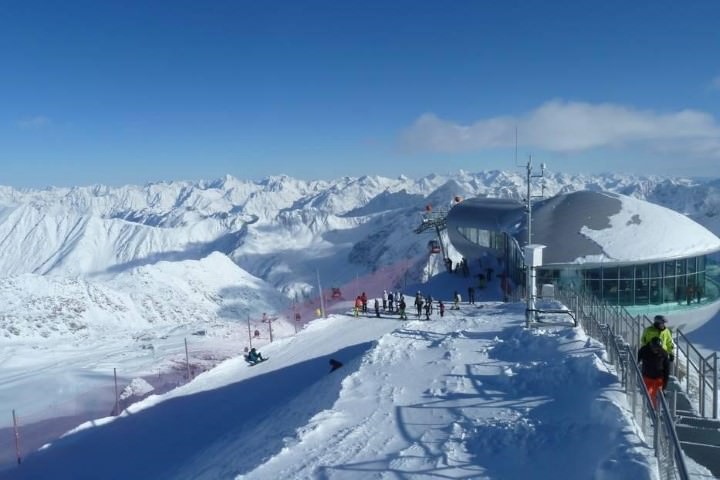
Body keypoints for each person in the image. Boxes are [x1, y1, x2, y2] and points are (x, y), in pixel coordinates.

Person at [638, 337, 670, 408]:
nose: (656, 350)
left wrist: (665, 384)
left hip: (659, 378)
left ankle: (656, 411)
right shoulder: (644, 350)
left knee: (658, 395)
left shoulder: (664, 354)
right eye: (654, 348)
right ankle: (648, 410)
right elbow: (638, 360)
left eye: (658, 348)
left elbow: (667, 370)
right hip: (647, 377)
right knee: (648, 394)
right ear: (651, 346)